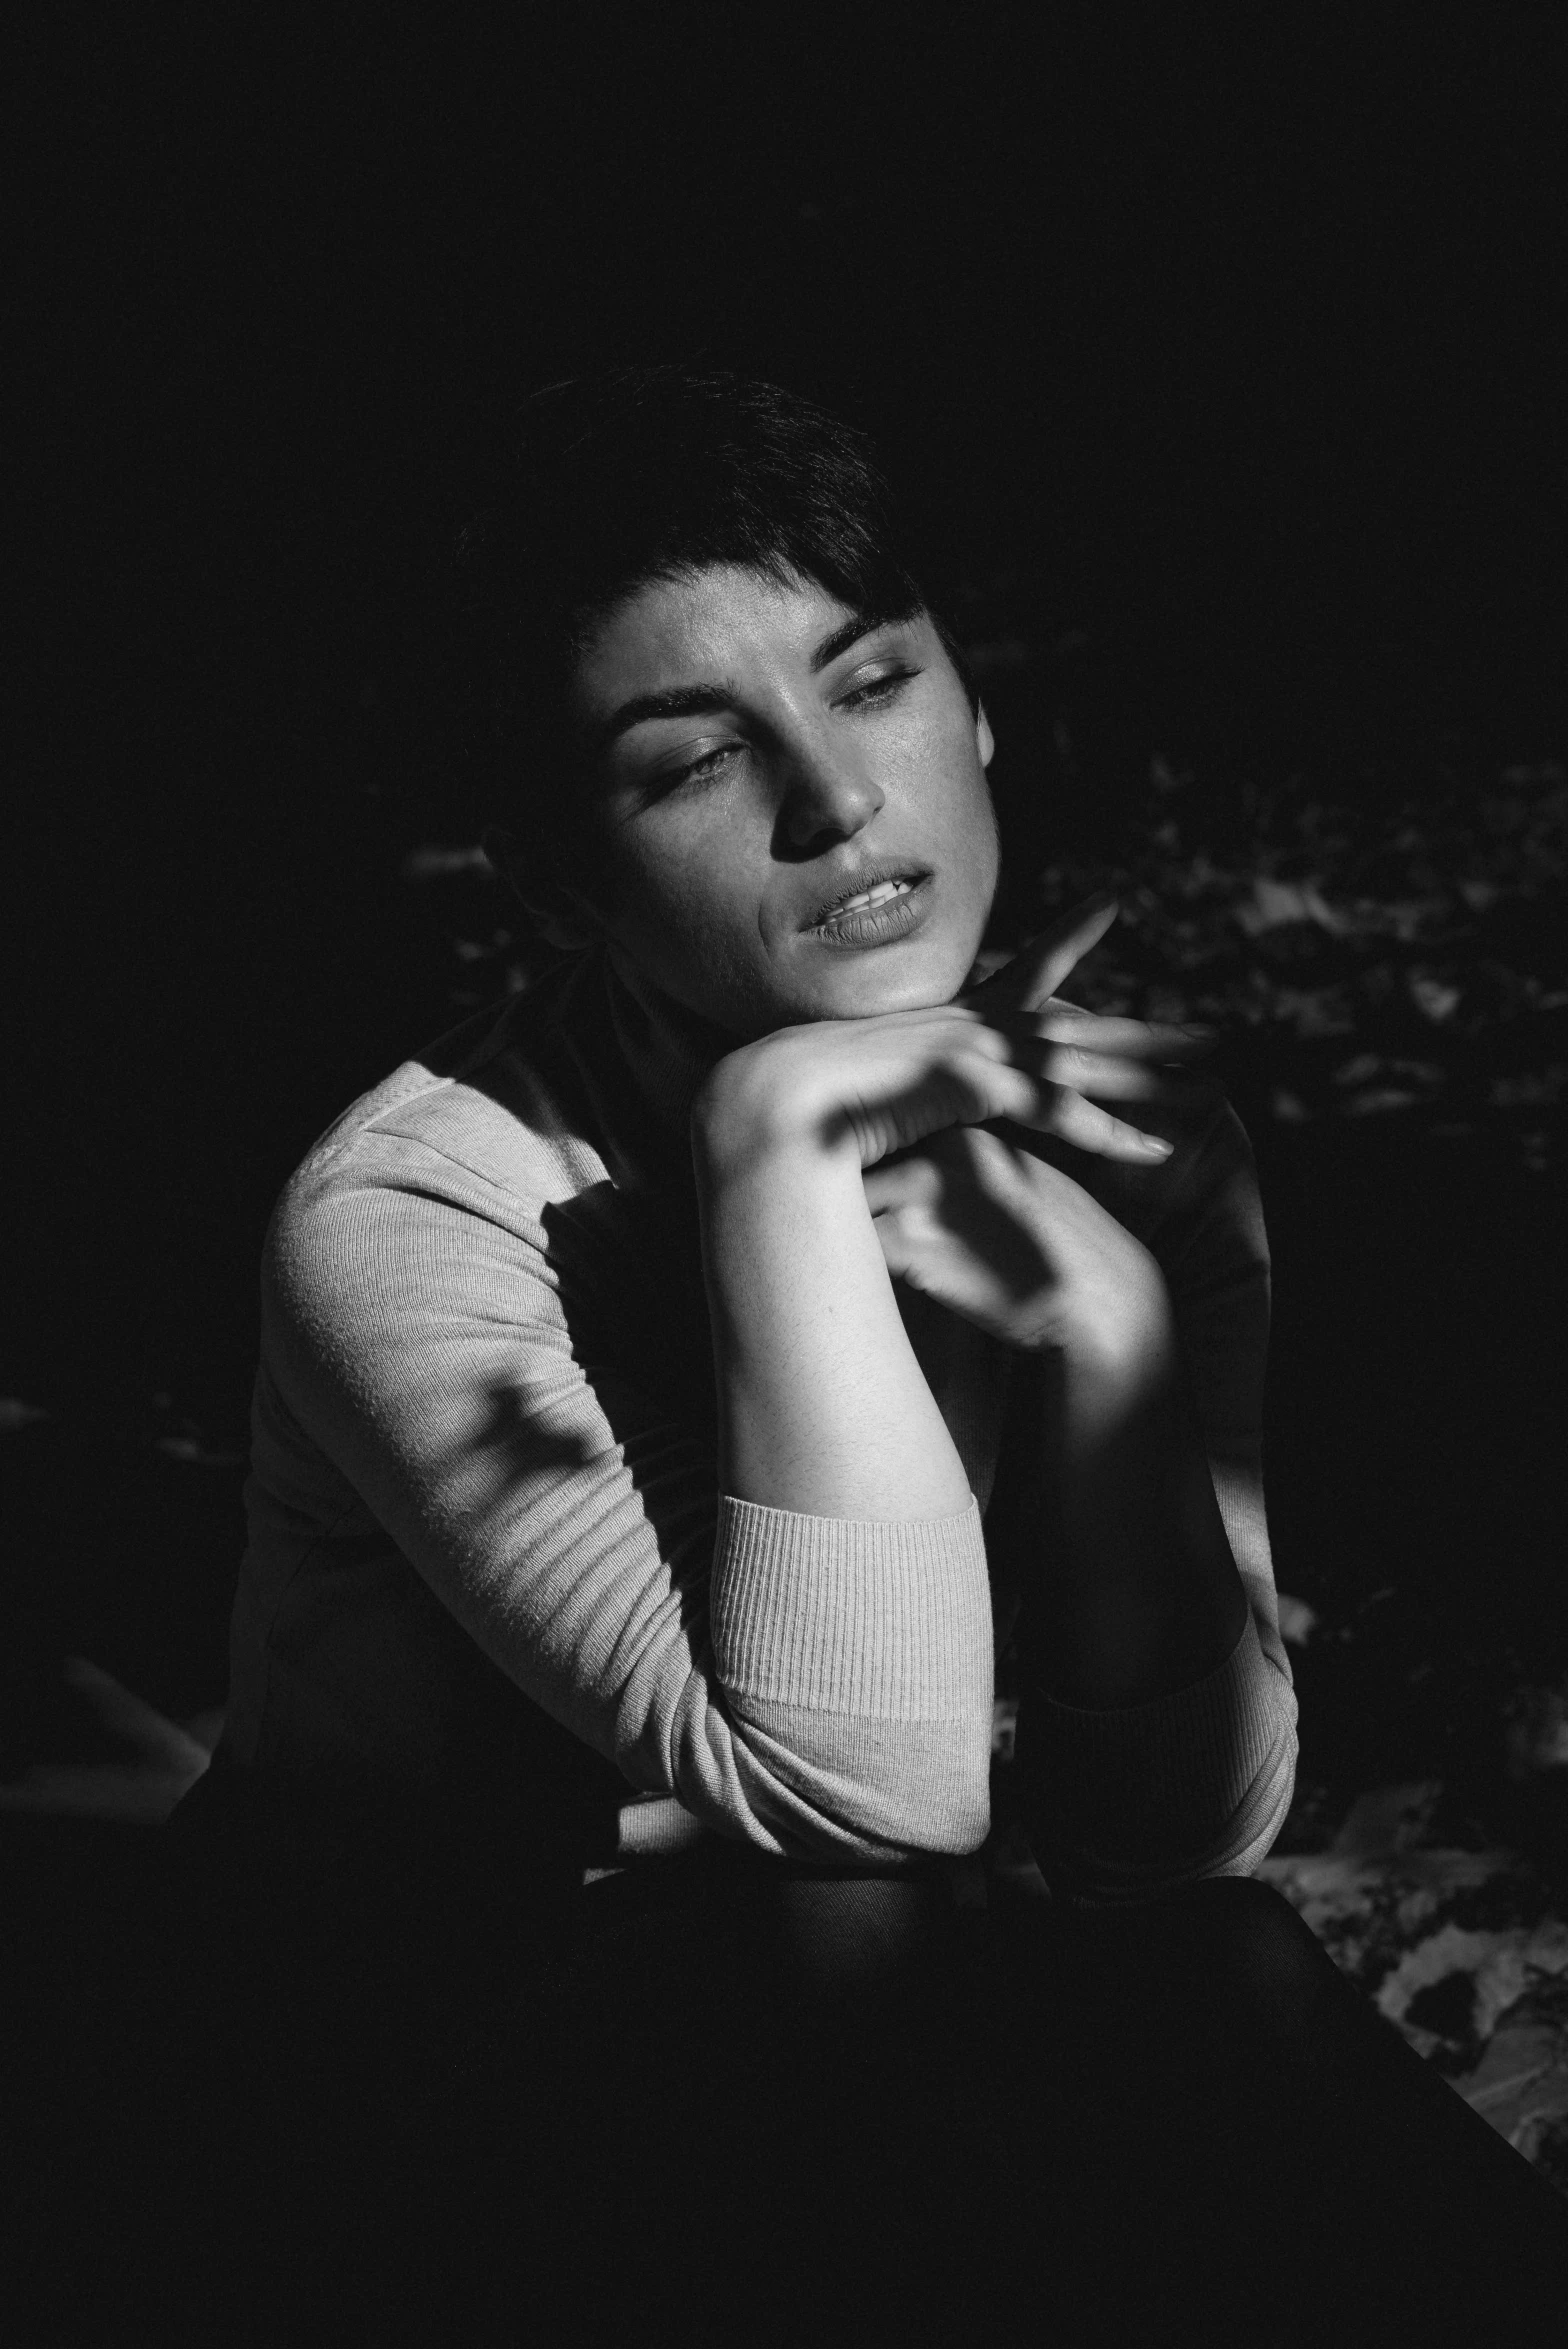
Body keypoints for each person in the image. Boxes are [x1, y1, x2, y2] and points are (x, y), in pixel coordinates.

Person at [154, 369, 1564, 2344]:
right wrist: (773, 1166)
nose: (834, 799)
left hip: (841, 1997)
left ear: (977, 704)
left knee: (1246, 2051)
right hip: (388, 2046)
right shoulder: (413, 1218)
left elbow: (1176, 1825)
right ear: (555, 876)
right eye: (692, 759)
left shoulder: (1129, 1143)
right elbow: (855, 1798)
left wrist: (1118, 1331)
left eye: (871, 681)